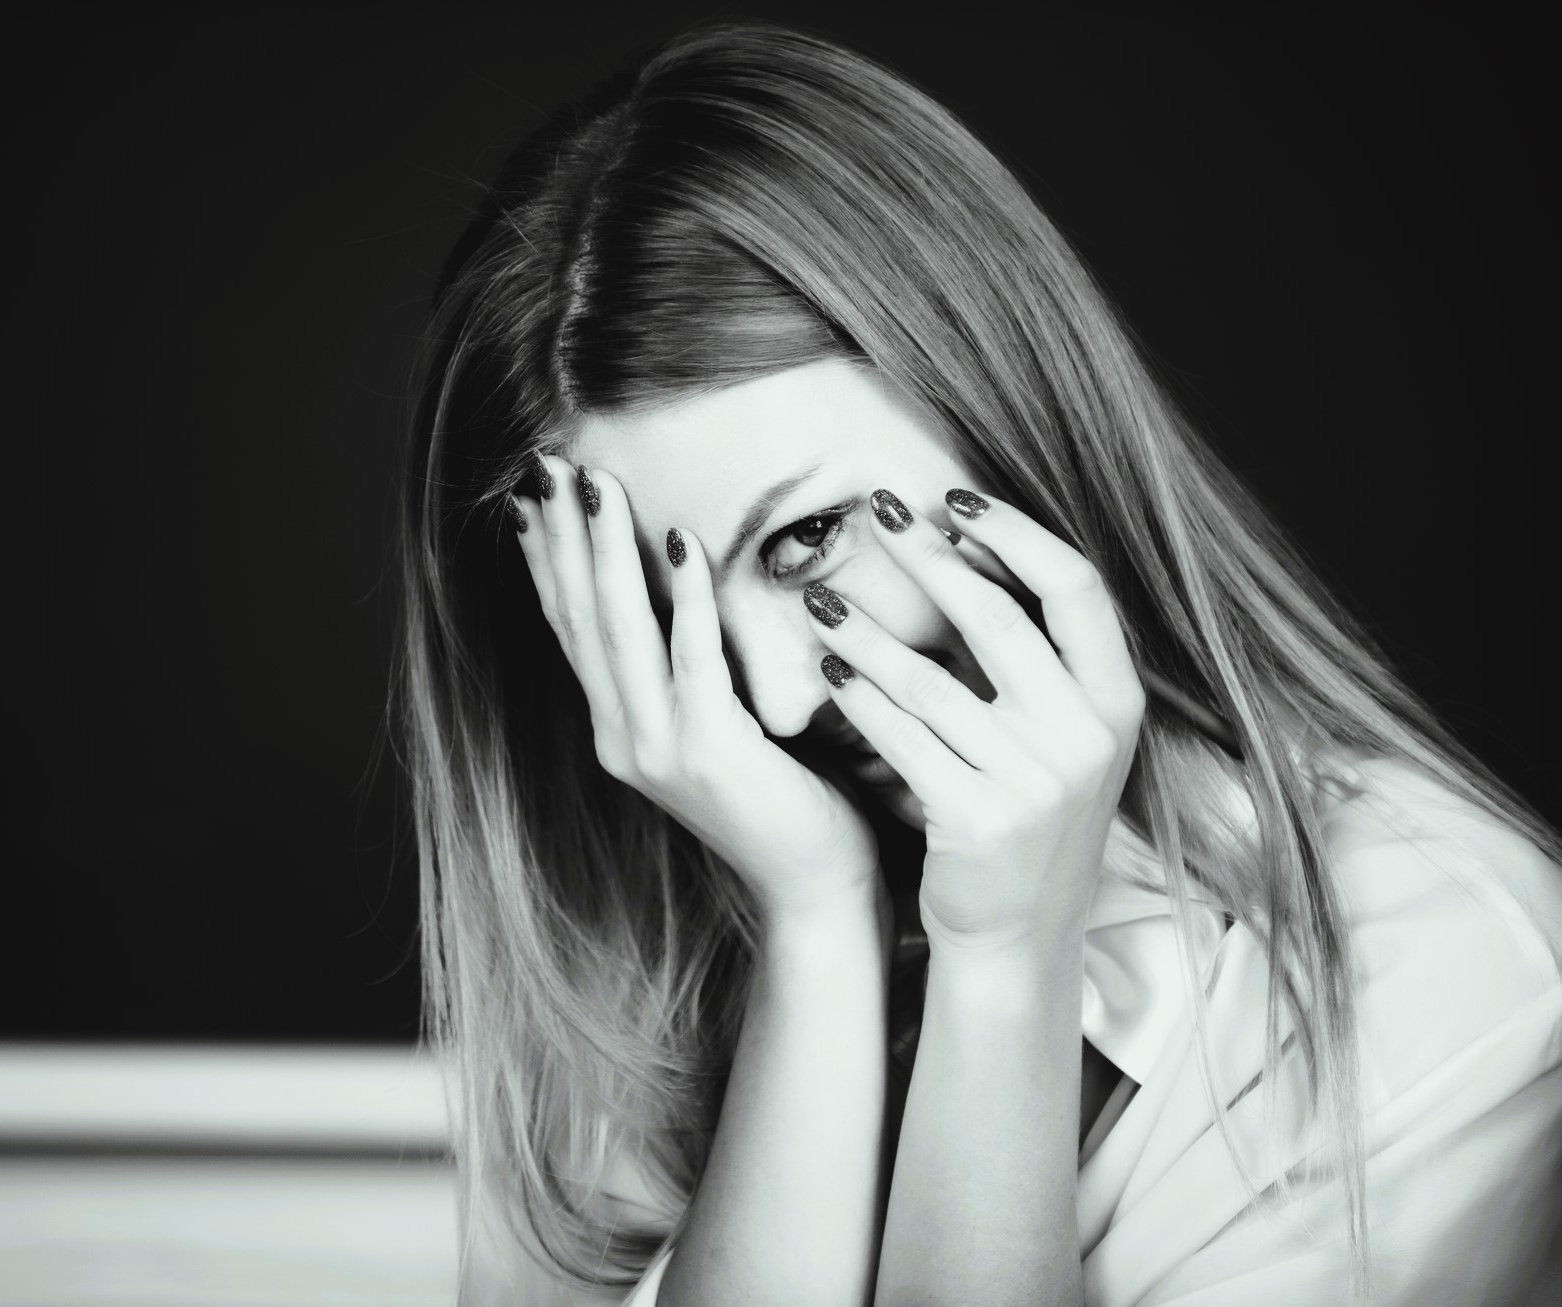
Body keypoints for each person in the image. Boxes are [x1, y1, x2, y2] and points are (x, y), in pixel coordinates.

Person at [392, 19, 1562, 1306]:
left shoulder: (1449, 960)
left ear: (999, 400)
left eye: (805, 538)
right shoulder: (632, 942)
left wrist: (1005, 950)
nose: (775, 696)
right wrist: (812, 921)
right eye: (661, 613)